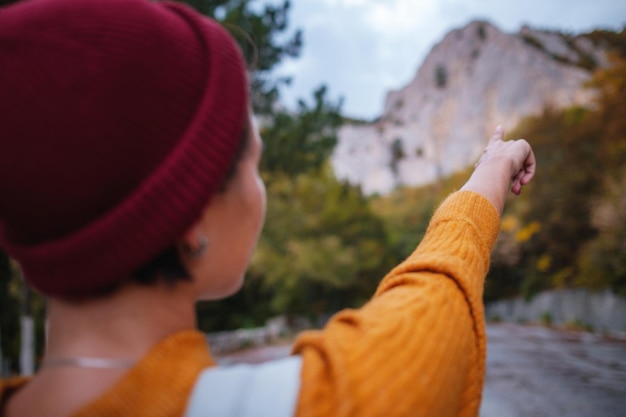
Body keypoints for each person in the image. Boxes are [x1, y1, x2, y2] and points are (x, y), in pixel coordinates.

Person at [0, 0, 536, 415]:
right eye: (253, 164)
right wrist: (492, 170)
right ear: (190, 213)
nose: (262, 190)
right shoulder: (311, 403)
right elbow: (434, 305)